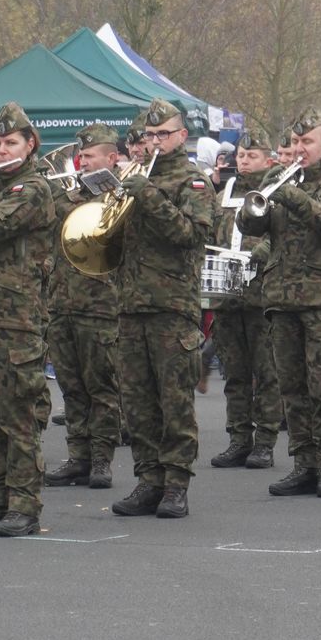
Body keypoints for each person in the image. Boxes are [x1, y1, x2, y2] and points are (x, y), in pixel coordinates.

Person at [237, 106, 321, 499]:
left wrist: (292, 197)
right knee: (291, 387)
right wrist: (252, 210)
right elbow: (253, 228)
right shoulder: (281, 180)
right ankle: (302, 463)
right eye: (294, 142)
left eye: (307, 142)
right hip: (281, 299)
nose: (299, 149)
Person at [111, 98, 215, 519]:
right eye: (148, 136)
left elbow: (190, 235)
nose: (153, 142)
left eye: (162, 135)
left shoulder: (193, 182)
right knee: (137, 402)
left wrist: (149, 197)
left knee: (174, 403)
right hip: (132, 304)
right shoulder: (136, 178)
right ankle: (148, 479)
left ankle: (176, 484)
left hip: (172, 307)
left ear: (181, 137)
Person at [45, 124, 122, 490]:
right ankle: (78, 456)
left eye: (89, 156)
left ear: (111, 158)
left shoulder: (120, 196)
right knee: (71, 387)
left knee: (101, 387)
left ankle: (102, 460)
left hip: (100, 306)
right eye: (81, 156)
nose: (81, 162)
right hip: (62, 303)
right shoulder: (70, 193)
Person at [0, 103, 55, 537]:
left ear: (30, 144)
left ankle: (24, 504)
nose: (1, 150)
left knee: (19, 415)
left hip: (18, 321)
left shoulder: (31, 188)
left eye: (10, 142)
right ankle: (1, 496)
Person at [209, 127, 282, 470]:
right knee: (234, 372)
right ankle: (239, 438)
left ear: (268, 159)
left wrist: (261, 255)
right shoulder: (224, 190)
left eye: (252, 155)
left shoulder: (277, 189)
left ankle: (265, 441)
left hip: (262, 291)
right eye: (241, 155)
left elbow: (281, 234)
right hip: (228, 291)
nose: (244, 160)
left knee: (266, 372)